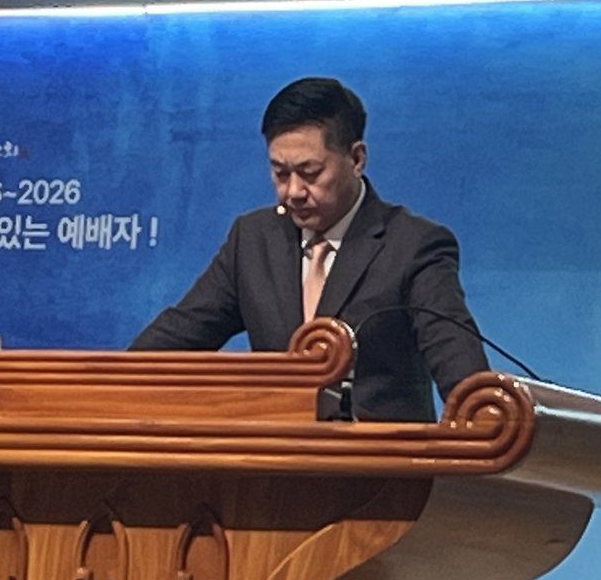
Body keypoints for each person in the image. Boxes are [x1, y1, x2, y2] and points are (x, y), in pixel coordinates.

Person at [129, 77, 489, 421]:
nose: (293, 192)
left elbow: (460, 369)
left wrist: (485, 416)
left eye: (310, 172)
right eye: (280, 173)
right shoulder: (253, 240)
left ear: (357, 159)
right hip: (277, 455)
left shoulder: (413, 246)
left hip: (380, 460)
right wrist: (109, 382)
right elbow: (173, 340)